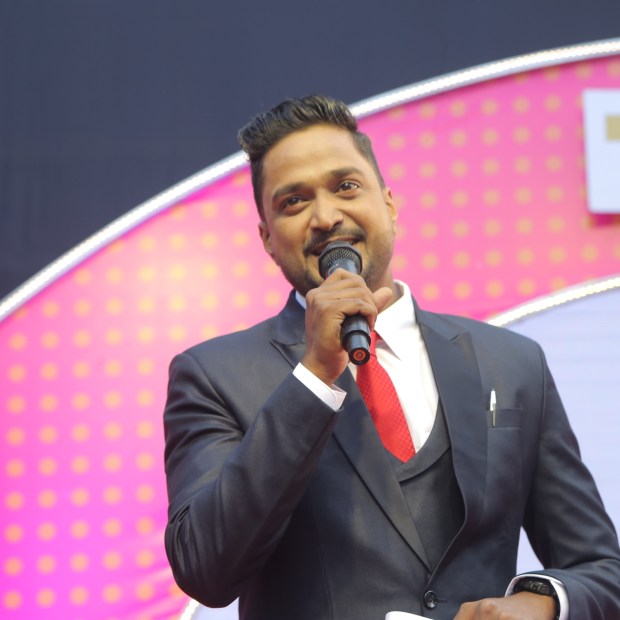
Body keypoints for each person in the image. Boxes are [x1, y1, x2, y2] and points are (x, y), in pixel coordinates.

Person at [163, 94, 620, 619]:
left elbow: (601, 570)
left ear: (389, 204)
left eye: (346, 187)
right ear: (267, 238)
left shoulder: (512, 363)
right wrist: (315, 374)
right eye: (294, 202)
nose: (326, 217)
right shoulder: (213, 376)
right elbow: (205, 568)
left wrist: (541, 603)